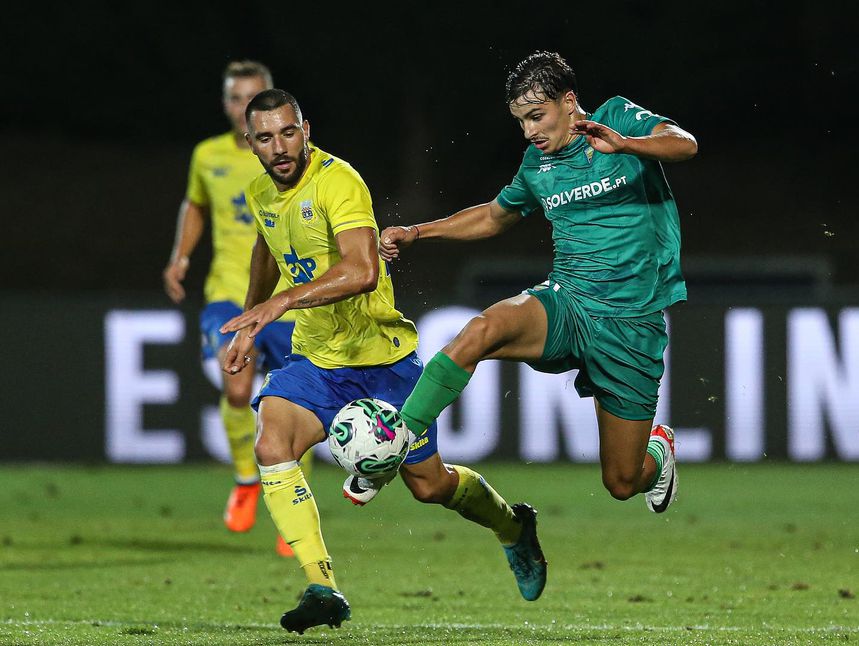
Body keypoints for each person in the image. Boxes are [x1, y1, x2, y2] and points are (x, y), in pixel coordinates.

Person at [219, 88, 547, 634]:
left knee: (430, 486)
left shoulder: (338, 181)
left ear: (305, 130)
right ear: (250, 143)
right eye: (266, 138)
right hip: (317, 360)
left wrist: (281, 302)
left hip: (380, 361)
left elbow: (363, 270)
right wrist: (253, 318)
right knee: (272, 444)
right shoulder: (260, 193)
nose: (280, 147)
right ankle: (323, 587)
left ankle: (513, 526)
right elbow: (266, 247)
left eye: (289, 133)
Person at [380, 51, 697, 518]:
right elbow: (494, 216)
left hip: (632, 321)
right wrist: (417, 232)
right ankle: (398, 439)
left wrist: (627, 144)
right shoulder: (537, 164)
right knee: (481, 331)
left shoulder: (616, 117)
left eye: (536, 116)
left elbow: (685, 144)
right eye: (521, 121)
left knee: (622, 481)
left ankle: (658, 450)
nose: (529, 131)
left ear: (568, 102)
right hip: (568, 302)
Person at [162, 61, 304, 554]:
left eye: (253, 94)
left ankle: (292, 503)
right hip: (229, 292)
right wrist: (180, 257)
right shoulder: (208, 156)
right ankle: (246, 479)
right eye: (236, 96)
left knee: (293, 401)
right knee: (237, 382)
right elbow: (195, 205)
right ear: (227, 105)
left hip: (288, 297)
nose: (245, 103)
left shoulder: (291, 156)